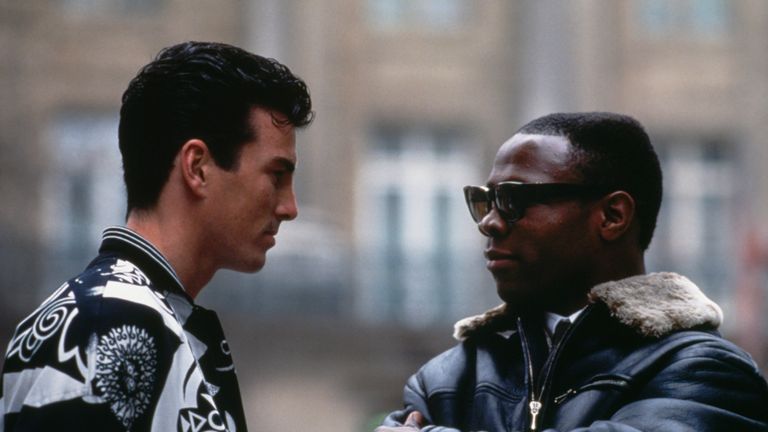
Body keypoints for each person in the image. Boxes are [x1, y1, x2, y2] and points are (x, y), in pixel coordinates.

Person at [377, 112, 768, 431]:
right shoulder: (451, 378)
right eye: (486, 201)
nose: (490, 223)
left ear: (613, 216)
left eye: (514, 199)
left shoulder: (703, 373)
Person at [0, 41, 312, 431]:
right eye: (276, 176)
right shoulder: (110, 319)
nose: (290, 207)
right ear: (197, 167)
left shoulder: (137, 315)